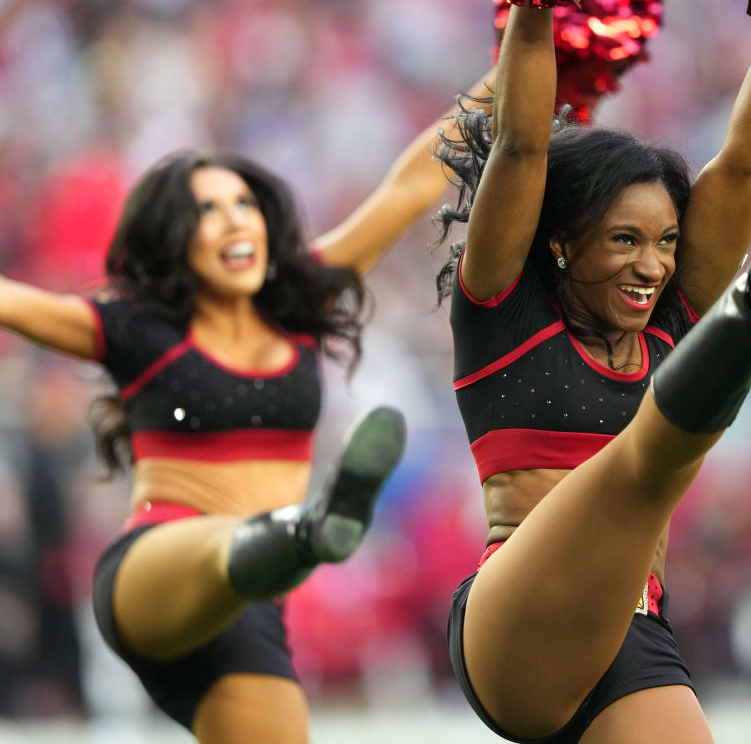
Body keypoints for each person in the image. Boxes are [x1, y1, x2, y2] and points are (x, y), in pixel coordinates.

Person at [0, 71, 494, 743]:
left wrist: (516, 57)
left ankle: (303, 533)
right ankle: (309, 531)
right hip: (154, 575)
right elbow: (15, 302)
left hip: (249, 617)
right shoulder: (135, 328)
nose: (234, 219)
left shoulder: (299, 302)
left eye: (243, 204)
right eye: (208, 210)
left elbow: (408, 188)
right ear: (176, 238)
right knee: (223, 548)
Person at [437, 0, 751, 743]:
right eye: (626, 240)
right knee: (644, 462)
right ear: (564, 240)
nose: (655, 266)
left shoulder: (666, 321)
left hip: (635, 631)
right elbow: (522, 144)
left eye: (668, 241)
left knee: (652, 455)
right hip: (517, 628)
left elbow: (746, 165)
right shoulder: (503, 313)